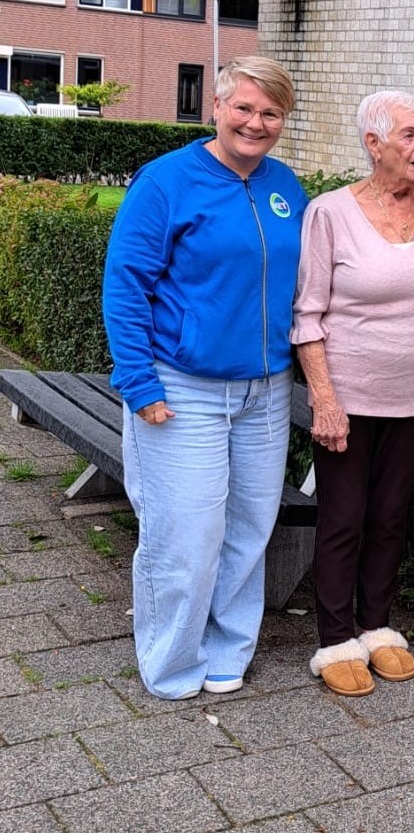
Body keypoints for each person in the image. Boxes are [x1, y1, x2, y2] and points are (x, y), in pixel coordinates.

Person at [102, 56, 308, 700]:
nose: (255, 122)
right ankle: (170, 662)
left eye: (270, 112)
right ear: (215, 107)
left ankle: (228, 650)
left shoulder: (285, 185)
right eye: (243, 107)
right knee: (184, 532)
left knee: (248, 529)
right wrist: (139, 383)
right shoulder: (165, 182)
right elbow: (126, 285)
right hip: (182, 386)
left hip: (266, 391)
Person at [292, 91, 414, 697]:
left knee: (390, 517)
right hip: (348, 396)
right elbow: (307, 314)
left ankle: (376, 626)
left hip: (413, 397)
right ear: (373, 143)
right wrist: (324, 400)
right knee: (343, 519)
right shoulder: (330, 212)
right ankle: (334, 638)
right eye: (410, 135)